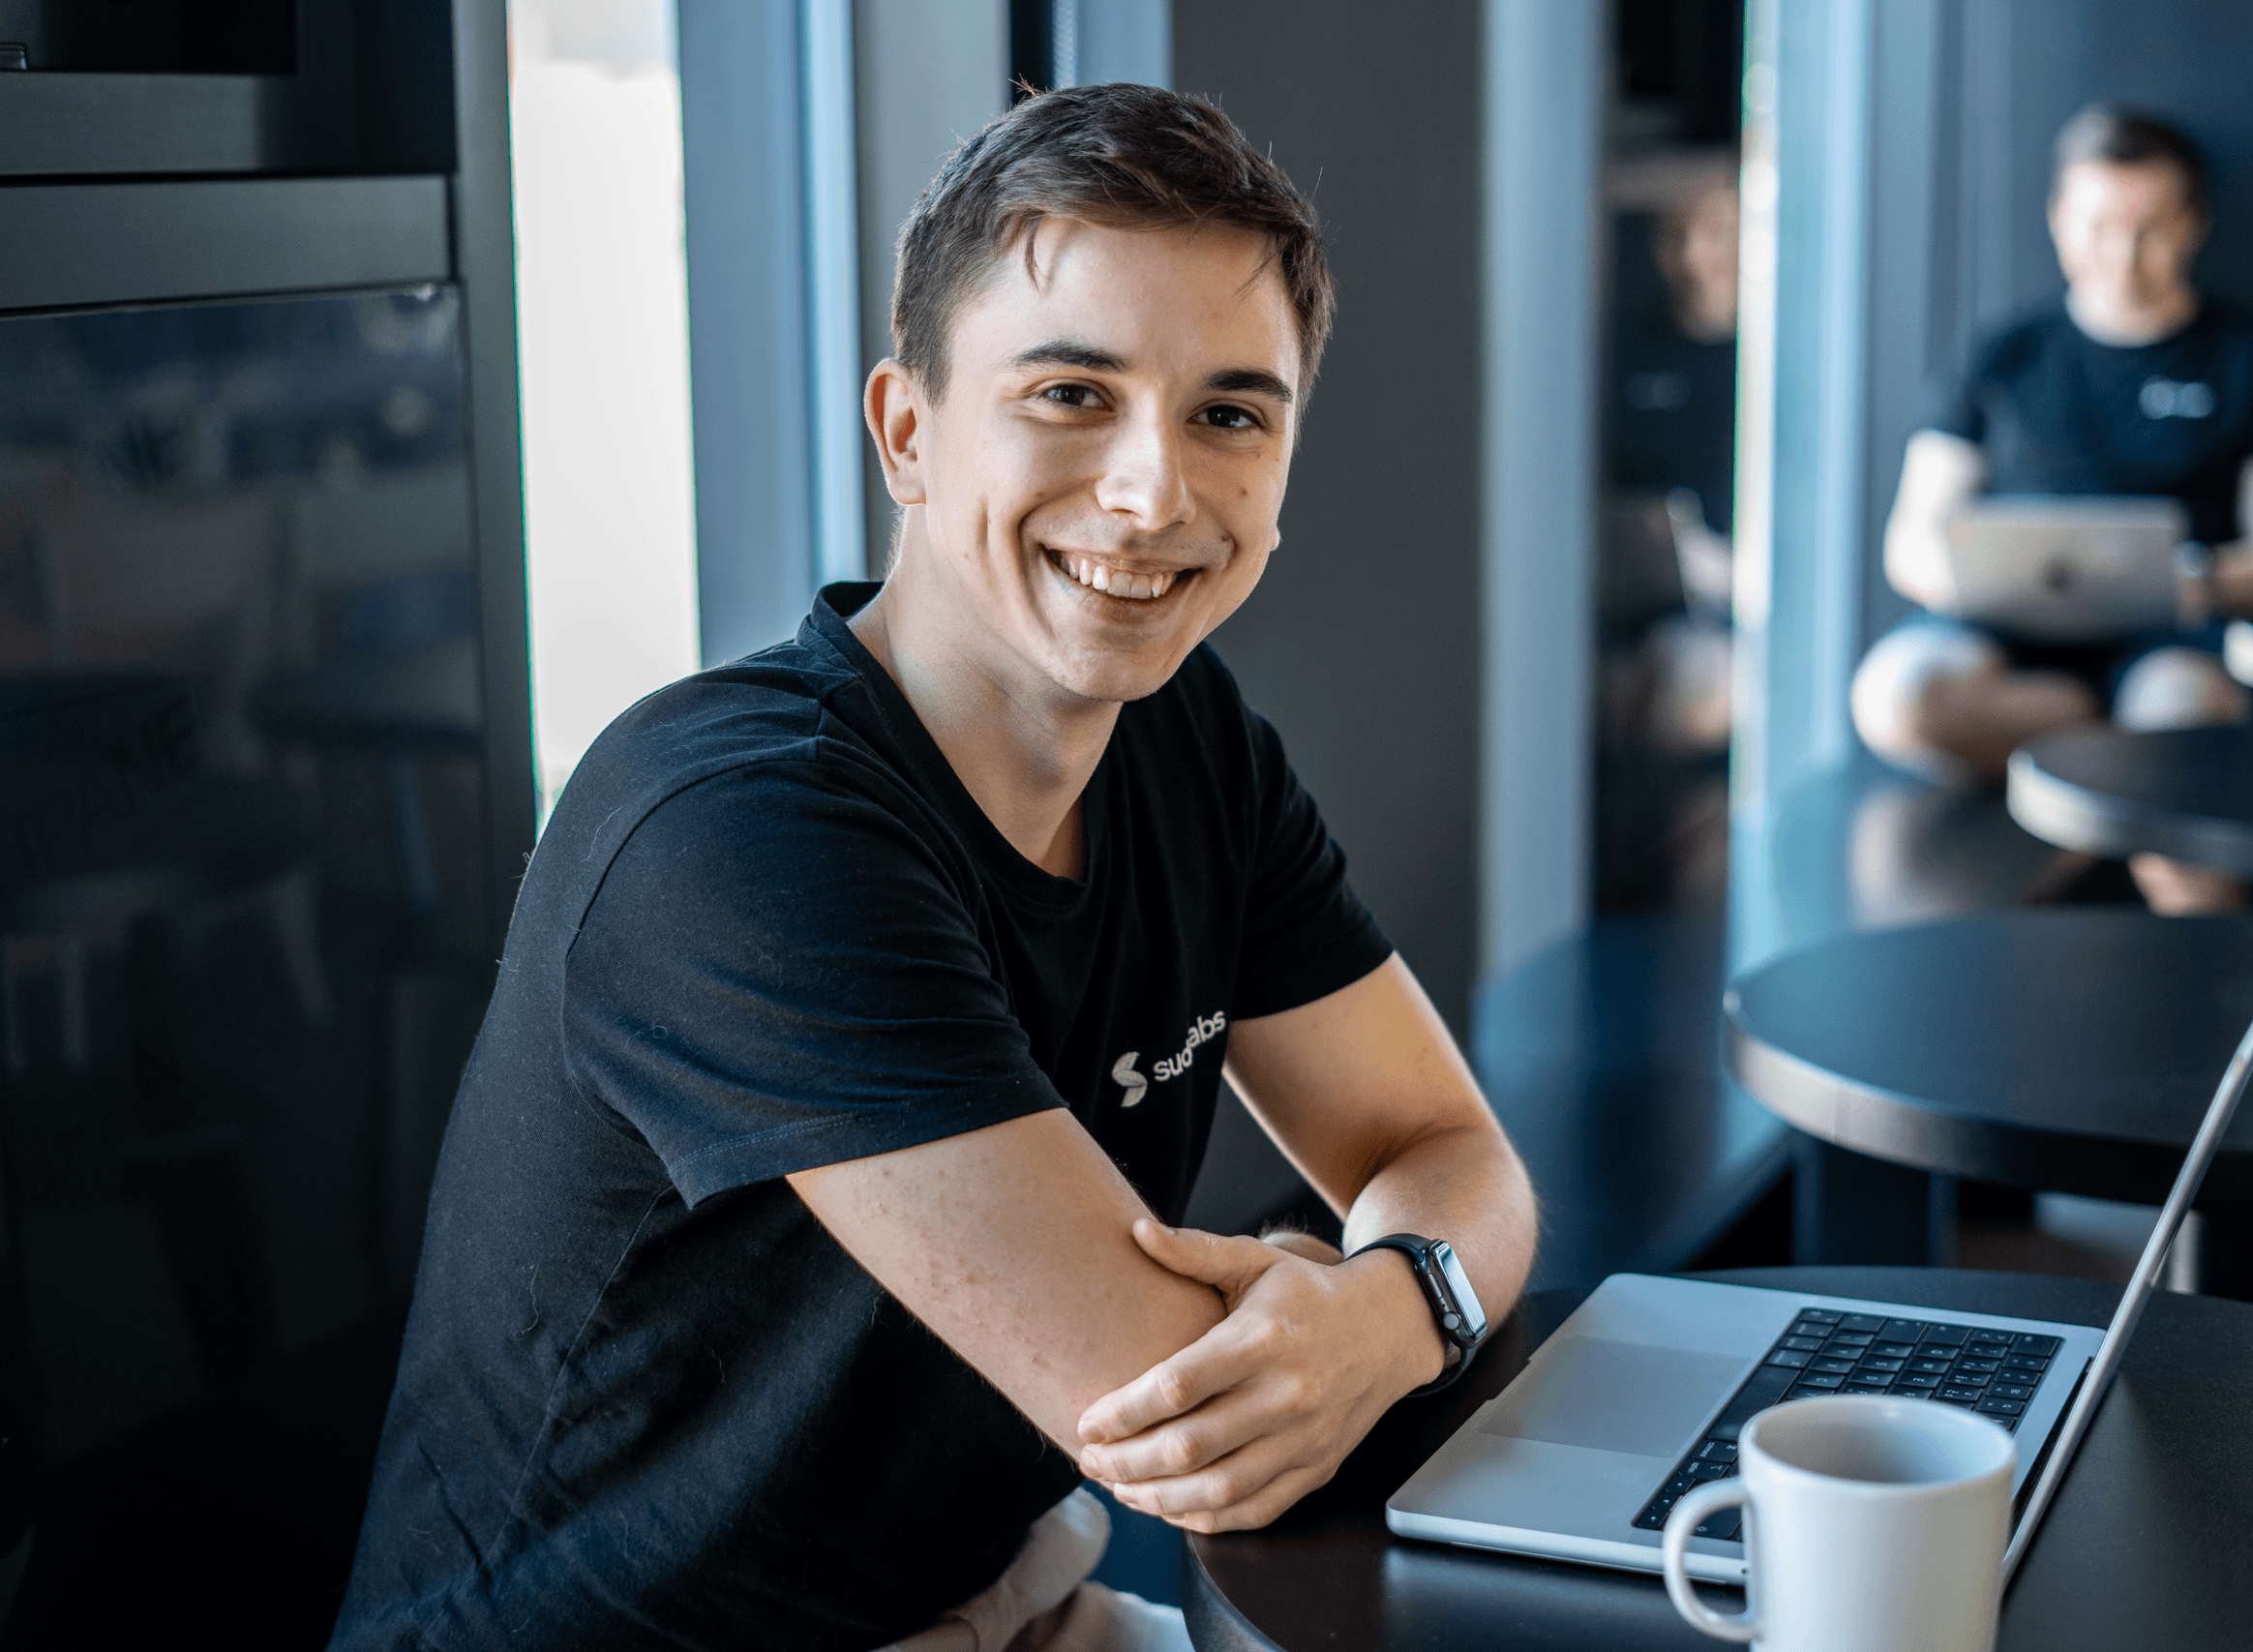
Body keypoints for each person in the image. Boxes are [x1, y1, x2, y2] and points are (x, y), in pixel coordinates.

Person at [330, 85, 1537, 1652]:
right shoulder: (735, 828)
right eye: (1069, 394)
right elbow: (1177, 1417)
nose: (1151, 492)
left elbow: (1458, 1151)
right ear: (907, 430)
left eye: (1231, 413)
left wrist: (1396, 1301)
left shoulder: (1191, 742)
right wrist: (1408, 1277)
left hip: (995, 1599)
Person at [1849, 105, 2253, 911]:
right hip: (2003, 636)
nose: (2121, 255)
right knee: (1896, 702)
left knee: (2181, 718)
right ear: (2059, 221)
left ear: (2194, 225)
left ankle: (2224, 991)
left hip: (2172, 632)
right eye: (2096, 225)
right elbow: (1912, 540)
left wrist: (2186, 579)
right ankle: (2100, 729)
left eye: (2149, 229)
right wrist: (1969, 576)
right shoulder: (2002, 352)